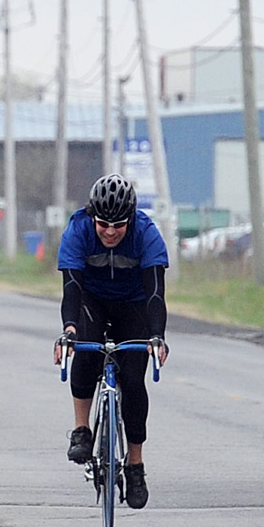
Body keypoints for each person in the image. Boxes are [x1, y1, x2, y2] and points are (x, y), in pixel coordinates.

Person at [56, 173, 169, 509]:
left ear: (130, 219)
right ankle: (81, 431)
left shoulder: (146, 234)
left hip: (133, 304)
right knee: (86, 352)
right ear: (92, 216)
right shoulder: (77, 230)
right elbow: (72, 288)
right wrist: (69, 329)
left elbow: (155, 294)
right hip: (92, 300)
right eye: (103, 223)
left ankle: (135, 465)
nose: (109, 231)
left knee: (134, 380)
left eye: (118, 225)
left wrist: (157, 336)